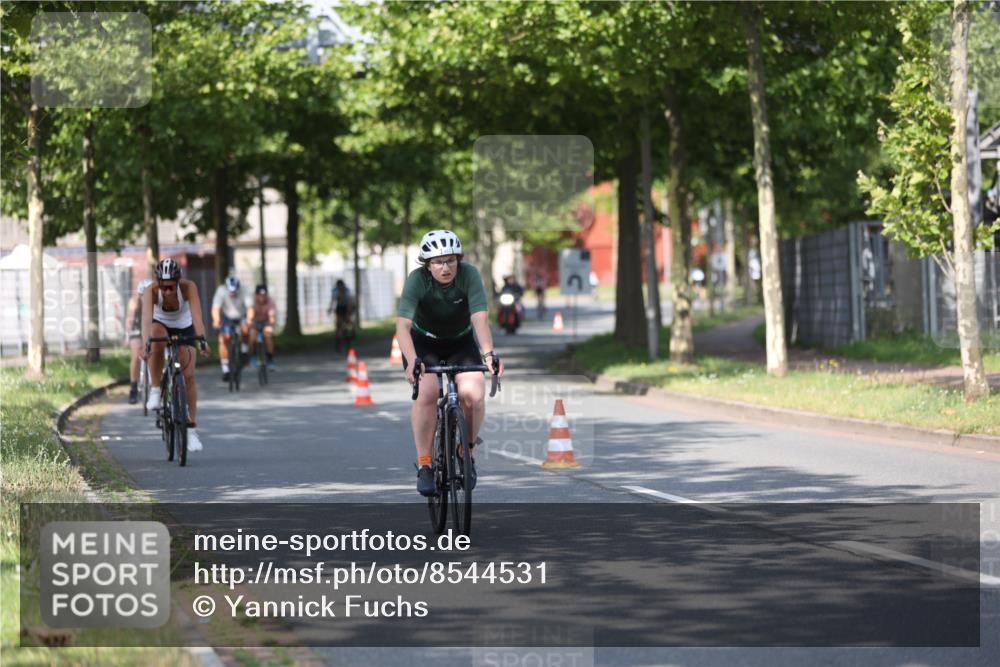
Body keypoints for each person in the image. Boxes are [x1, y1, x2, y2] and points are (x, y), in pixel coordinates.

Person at [396, 230, 504, 496]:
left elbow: (479, 317)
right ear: (427, 264)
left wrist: (489, 355)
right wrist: (412, 362)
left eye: (450, 261)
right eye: (438, 262)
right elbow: (403, 326)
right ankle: (425, 465)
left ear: (458, 260)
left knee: (474, 395)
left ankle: (466, 450)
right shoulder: (417, 280)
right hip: (423, 343)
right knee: (428, 393)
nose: (445, 267)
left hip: (460, 341)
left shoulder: (469, 275)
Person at [140, 259, 210, 451]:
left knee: (189, 376)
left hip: (183, 324)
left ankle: (191, 431)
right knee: (156, 336)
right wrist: (145, 344)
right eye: (164, 288)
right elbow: (146, 320)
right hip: (160, 323)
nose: (168, 292)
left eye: (171, 287)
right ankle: (155, 389)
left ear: (178, 282)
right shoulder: (151, 292)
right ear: (158, 284)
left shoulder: (188, 288)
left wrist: (202, 339)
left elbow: (197, 316)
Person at [211, 275, 250, 382]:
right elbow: (215, 308)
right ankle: (225, 369)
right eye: (231, 293)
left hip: (241, 315)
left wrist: (249, 320)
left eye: (235, 293)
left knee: (246, 329)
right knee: (223, 339)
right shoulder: (221, 291)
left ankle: (244, 350)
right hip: (227, 317)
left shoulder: (245, 290)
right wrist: (216, 320)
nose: (233, 295)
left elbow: (250, 308)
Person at [126, 278, 154, 404]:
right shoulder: (134, 302)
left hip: (151, 329)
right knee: (136, 355)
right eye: (144, 295)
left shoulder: (157, 301)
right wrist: (127, 335)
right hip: (137, 330)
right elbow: (130, 319)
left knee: (157, 352)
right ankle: (133, 389)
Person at [247, 284, 277, 370]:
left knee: (268, 335)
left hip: (266, 322)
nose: (262, 297)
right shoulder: (252, 302)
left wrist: (270, 324)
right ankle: (253, 356)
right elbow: (250, 314)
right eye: (260, 295)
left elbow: (272, 317)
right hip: (255, 322)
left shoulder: (271, 302)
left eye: (264, 295)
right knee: (252, 336)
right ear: (256, 295)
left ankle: (270, 359)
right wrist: (250, 320)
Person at [327, 279, 356, 351]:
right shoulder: (335, 291)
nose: (340, 289)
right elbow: (333, 301)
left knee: (348, 322)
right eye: (339, 288)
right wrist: (330, 309)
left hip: (347, 307)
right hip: (339, 308)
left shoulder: (347, 291)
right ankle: (338, 340)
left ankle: (352, 331)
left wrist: (349, 312)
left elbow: (350, 301)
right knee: (338, 324)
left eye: (341, 287)